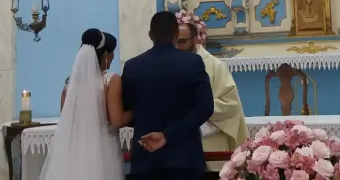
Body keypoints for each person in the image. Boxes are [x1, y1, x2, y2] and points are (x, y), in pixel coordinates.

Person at [123, 11, 214, 180]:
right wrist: (168, 135)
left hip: (146, 157)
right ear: (175, 34)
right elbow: (205, 108)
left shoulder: (132, 66)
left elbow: (127, 109)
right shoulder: (192, 62)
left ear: (150, 35)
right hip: (184, 158)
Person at [40, 29, 126, 180]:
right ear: (106, 54)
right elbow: (117, 121)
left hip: (75, 153)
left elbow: (67, 118)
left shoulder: (69, 85)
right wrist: (136, 112)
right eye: (112, 52)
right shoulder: (112, 81)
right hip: (104, 152)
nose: (113, 56)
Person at [175, 18, 249, 170]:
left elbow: (230, 104)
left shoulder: (215, 66)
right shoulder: (171, 64)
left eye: (182, 42)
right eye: (174, 42)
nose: (177, 47)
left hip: (209, 138)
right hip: (178, 144)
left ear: (195, 40)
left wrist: (195, 115)